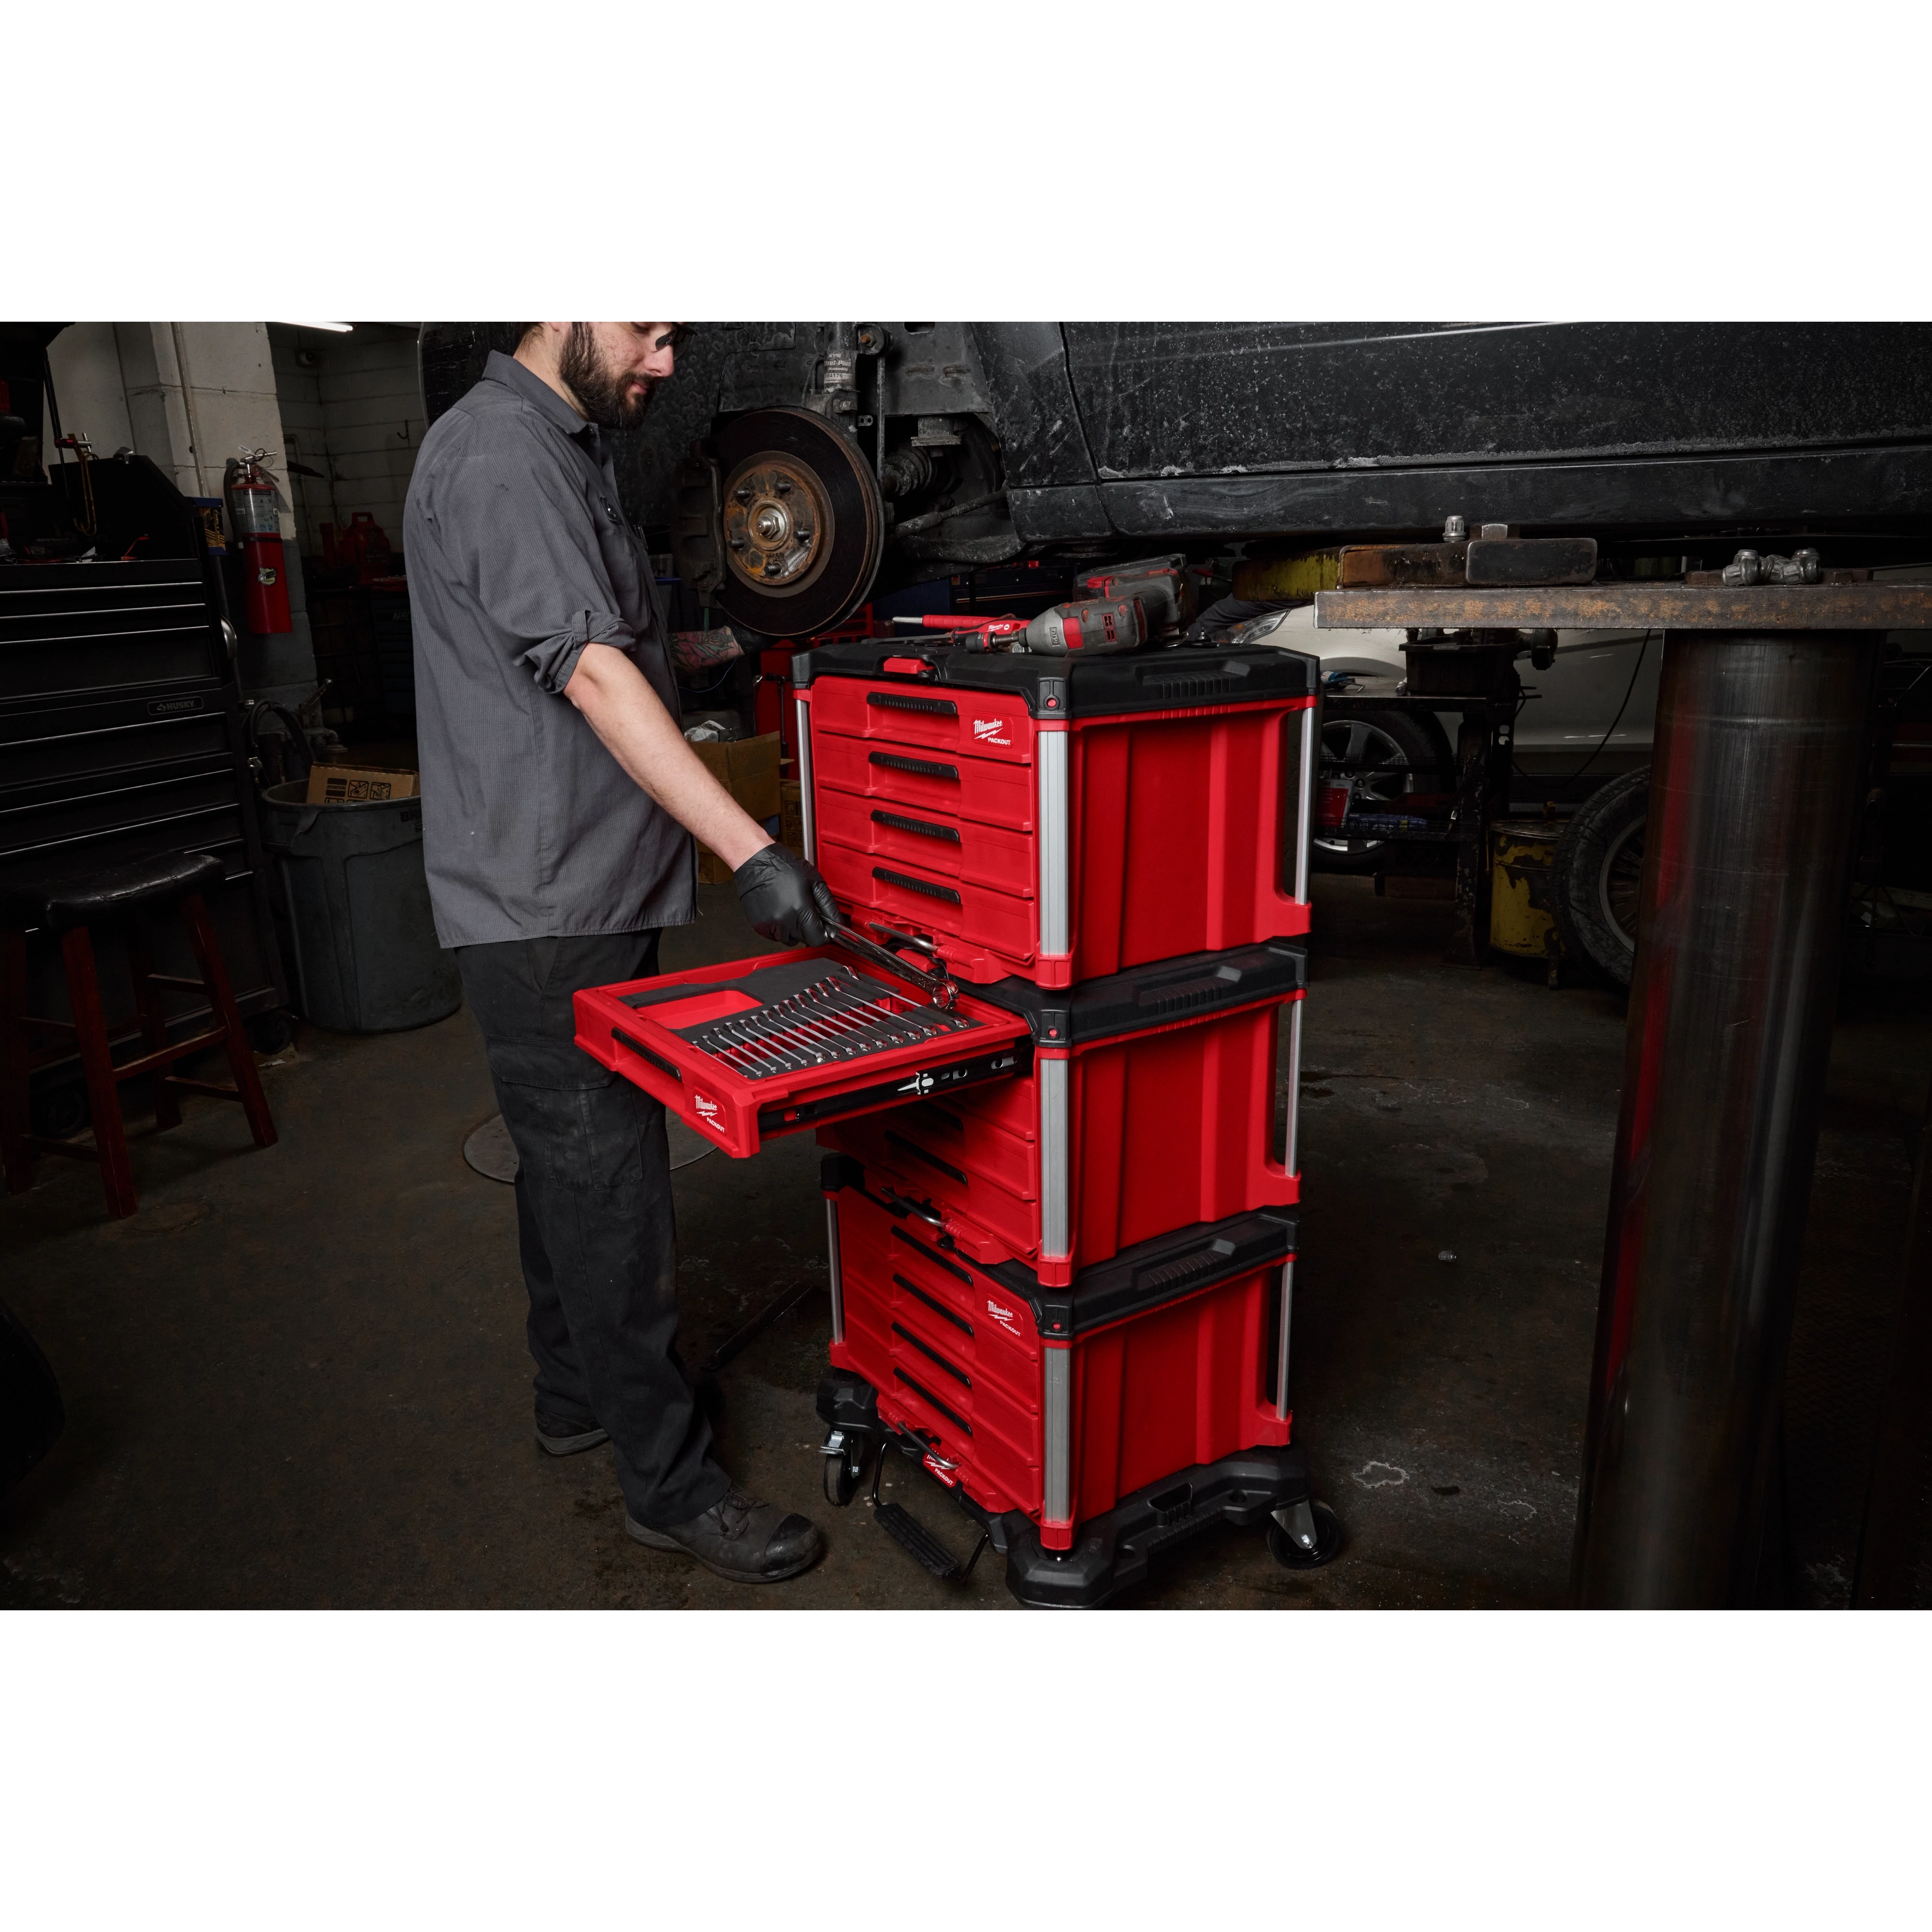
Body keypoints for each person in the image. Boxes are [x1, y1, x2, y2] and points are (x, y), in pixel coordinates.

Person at [404, 320, 838, 1584]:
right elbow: (590, 673)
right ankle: (670, 1484)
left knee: (563, 1169)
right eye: (648, 331)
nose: (662, 361)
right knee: (611, 1191)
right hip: (551, 908)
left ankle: (572, 1396)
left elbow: (585, 646)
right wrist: (752, 851)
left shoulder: (557, 446)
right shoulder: (499, 456)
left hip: (568, 885)